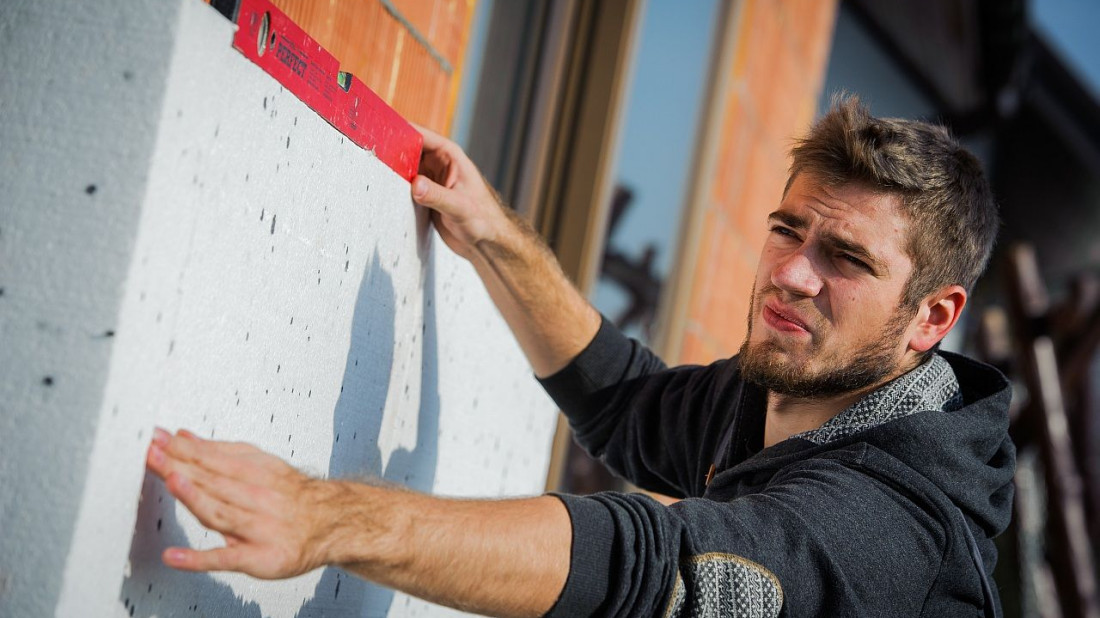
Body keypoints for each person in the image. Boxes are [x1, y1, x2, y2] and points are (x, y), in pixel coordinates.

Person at [145, 96, 1014, 617]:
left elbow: (660, 568)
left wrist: (326, 519)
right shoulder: (792, 394)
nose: (791, 274)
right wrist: (495, 238)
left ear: (931, 317)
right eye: (788, 229)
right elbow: (626, 402)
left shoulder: (896, 526)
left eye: (847, 259)